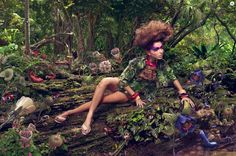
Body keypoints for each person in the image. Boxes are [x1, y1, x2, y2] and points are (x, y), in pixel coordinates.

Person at [55, 20, 194, 135]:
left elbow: (173, 77)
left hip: (129, 92)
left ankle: (68, 112)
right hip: (128, 87)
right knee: (104, 81)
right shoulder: (137, 62)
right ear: (148, 51)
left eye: (161, 48)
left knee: (101, 100)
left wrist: (183, 93)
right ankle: (89, 118)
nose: (161, 51)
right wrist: (136, 97)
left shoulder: (162, 64)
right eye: (156, 49)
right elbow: (123, 80)